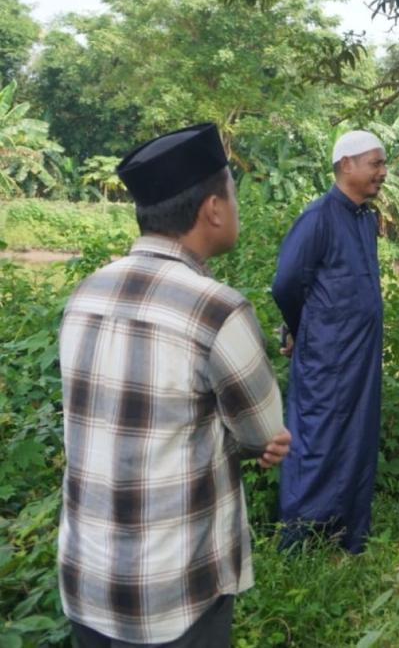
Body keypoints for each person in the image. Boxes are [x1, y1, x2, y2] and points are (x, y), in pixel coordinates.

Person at [58, 123, 291, 647]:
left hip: (86, 580)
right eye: (232, 193)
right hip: (176, 593)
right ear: (212, 208)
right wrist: (249, 439)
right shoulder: (216, 309)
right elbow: (266, 431)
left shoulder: (85, 294)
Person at [271, 131, 387, 553]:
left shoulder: (366, 220)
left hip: (362, 358)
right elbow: (285, 284)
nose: (382, 172)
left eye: (382, 163)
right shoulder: (318, 217)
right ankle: (300, 541)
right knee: (316, 442)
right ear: (346, 165)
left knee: (357, 441)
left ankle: (348, 535)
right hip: (326, 358)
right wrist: (302, 330)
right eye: (374, 163)